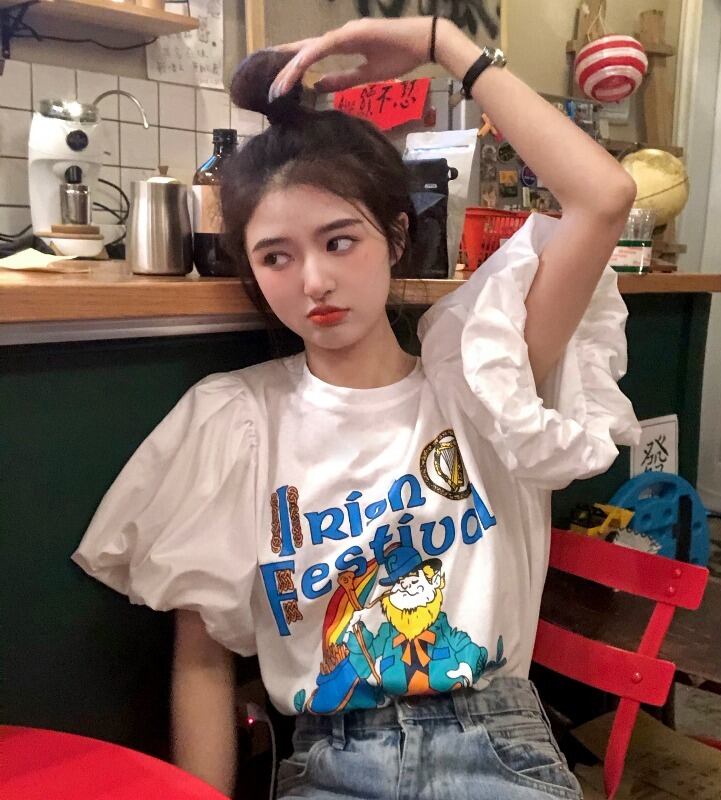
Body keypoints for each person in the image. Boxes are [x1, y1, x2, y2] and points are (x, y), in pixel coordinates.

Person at [72, 15, 641, 800]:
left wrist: (442, 43)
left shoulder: (482, 377)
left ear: (396, 237)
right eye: (277, 255)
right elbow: (201, 663)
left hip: (496, 751)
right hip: (331, 763)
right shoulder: (235, 420)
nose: (314, 281)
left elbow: (605, 197)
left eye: (340, 241)